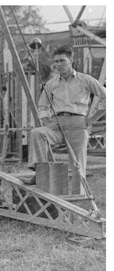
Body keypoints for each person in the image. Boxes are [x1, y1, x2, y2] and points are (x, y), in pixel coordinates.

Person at [24, 46, 106, 185]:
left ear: (71, 60)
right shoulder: (51, 84)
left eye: (62, 60)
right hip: (57, 125)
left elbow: (106, 96)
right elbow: (43, 106)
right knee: (38, 133)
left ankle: (79, 197)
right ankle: (42, 173)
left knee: (77, 165)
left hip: (78, 125)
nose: (58, 64)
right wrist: (48, 123)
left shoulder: (85, 80)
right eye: (56, 61)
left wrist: (92, 119)